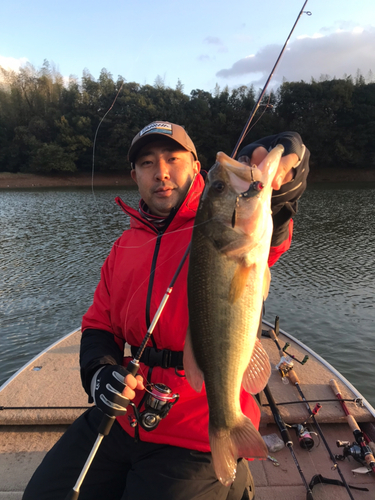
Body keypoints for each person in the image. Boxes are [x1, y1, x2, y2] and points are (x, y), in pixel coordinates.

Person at [23, 122, 309, 500]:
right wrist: (99, 374)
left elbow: (274, 226)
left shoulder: (222, 223)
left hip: (196, 425)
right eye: (147, 163)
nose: (161, 172)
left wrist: (285, 186)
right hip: (122, 420)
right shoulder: (122, 247)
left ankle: (232, 476)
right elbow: (98, 325)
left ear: (194, 166)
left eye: (173, 159)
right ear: (134, 176)